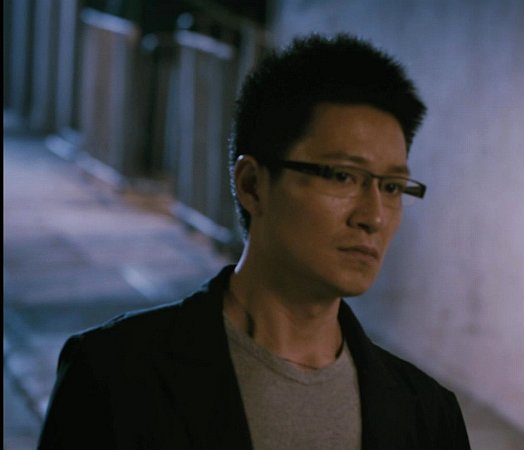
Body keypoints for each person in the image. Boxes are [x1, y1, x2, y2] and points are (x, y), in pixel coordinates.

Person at [38, 33, 470, 449]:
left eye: (391, 187)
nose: (373, 216)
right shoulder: (115, 376)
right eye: (343, 176)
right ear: (252, 185)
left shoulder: (427, 415)